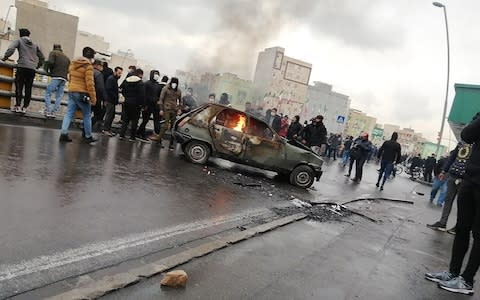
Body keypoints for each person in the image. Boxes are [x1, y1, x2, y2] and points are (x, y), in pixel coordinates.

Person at [425, 112, 480, 295]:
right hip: (470, 178)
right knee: (462, 228)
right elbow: (467, 135)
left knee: (479, 234)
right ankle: (453, 273)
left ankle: (466, 280)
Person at [427, 141, 473, 232]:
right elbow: (452, 158)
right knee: (448, 200)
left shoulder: (476, 144)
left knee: (462, 204)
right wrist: (444, 171)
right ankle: (442, 223)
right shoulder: (461, 143)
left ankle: (459, 227)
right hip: (453, 175)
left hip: (466, 178)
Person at [2, 28, 45, 114]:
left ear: (20, 34)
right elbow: (42, 57)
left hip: (22, 66)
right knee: (28, 89)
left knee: (19, 87)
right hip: (32, 69)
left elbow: (11, 49)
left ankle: (18, 106)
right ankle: (25, 107)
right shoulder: (35, 44)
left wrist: (5, 58)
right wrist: (37, 66)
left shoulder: (19, 41)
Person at [59, 46, 97, 143]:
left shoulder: (73, 63)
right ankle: (88, 136)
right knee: (87, 115)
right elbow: (90, 84)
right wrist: (93, 98)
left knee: (69, 113)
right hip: (82, 93)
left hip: (72, 90)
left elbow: (70, 77)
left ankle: (63, 133)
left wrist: (71, 88)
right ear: (91, 57)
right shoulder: (88, 66)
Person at [43, 44, 70, 118]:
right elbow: (69, 69)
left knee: (48, 93)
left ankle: (48, 110)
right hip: (64, 78)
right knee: (59, 96)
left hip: (56, 76)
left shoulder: (53, 53)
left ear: (54, 48)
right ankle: (53, 112)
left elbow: (51, 62)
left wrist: (50, 71)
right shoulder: (66, 57)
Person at [119, 69, 145, 141]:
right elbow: (142, 95)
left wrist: (127, 97)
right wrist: (142, 105)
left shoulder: (126, 80)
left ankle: (121, 134)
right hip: (136, 104)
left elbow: (122, 90)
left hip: (127, 102)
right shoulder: (140, 83)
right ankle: (132, 137)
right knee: (135, 120)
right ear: (140, 74)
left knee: (125, 120)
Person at [158, 77, 182, 149]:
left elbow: (180, 101)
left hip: (174, 109)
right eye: (173, 83)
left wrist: (179, 109)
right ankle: (159, 140)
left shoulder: (178, 91)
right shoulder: (165, 88)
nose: (174, 84)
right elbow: (161, 99)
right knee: (165, 125)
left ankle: (171, 143)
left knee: (173, 127)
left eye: (176, 83)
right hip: (166, 109)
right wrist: (161, 109)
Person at [137, 70, 162, 140]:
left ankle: (139, 133)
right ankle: (141, 133)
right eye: (155, 74)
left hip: (154, 106)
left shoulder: (157, 85)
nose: (156, 75)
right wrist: (144, 105)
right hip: (147, 105)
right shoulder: (147, 83)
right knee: (145, 120)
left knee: (146, 120)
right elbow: (144, 95)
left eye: (157, 74)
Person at [102, 66, 123, 136]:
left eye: (121, 74)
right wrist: (115, 97)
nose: (120, 75)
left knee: (112, 115)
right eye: (119, 73)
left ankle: (108, 129)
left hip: (112, 101)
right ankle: (105, 129)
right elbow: (109, 90)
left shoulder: (114, 79)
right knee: (109, 115)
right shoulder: (111, 79)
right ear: (115, 72)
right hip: (110, 100)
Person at [91, 60, 107, 129]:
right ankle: (87, 129)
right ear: (97, 65)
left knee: (87, 114)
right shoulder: (98, 74)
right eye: (101, 66)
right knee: (97, 114)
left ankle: (85, 128)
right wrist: (104, 99)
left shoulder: (88, 71)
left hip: (87, 95)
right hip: (96, 97)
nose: (102, 67)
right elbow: (101, 88)